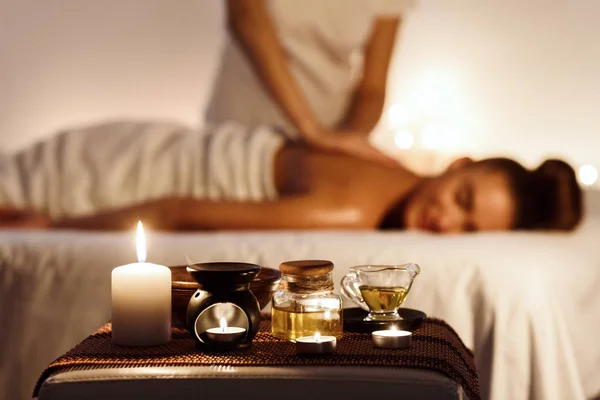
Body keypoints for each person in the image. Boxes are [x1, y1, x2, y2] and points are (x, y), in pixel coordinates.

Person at [0, 121, 583, 233]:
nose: (445, 221)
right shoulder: (353, 213)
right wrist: (58, 222)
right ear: (458, 164)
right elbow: (178, 212)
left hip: (150, 141)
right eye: (462, 198)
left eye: (469, 228)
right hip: (127, 172)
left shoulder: (390, 171)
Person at [205, 0, 414, 166]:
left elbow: (372, 90)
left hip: (325, 139)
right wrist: (312, 131)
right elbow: (246, 16)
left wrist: (346, 142)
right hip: (244, 130)